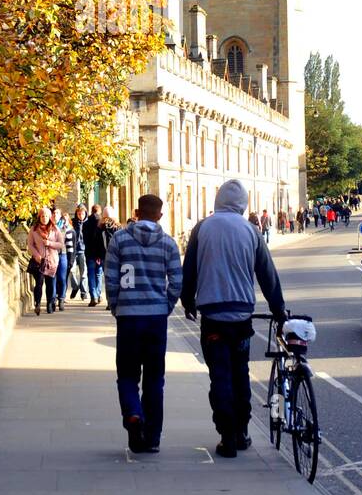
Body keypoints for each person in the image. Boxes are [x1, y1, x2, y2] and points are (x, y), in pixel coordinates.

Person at [181, 178, 285, 459]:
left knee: (220, 376)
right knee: (240, 374)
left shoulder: (202, 228)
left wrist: (187, 301)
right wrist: (279, 310)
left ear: (218, 200)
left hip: (213, 315)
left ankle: (226, 434)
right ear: (243, 203)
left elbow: (189, 268)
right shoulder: (251, 230)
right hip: (241, 316)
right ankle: (241, 432)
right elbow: (267, 275)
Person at [105, 193, 182, 453]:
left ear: (137, 212)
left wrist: (116, 305)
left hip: (128, 316)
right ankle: (152, 438)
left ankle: (133, 413)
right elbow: (177, 281)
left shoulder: (120, 239)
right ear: (160, 215)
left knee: (126, 375)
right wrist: (167, 305)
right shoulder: (168, 244)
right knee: (154, 379)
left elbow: (111, 277)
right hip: (156, 318)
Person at [26, 207, 64, 315]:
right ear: (39, 217)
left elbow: (61, 244)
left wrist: (50, 243)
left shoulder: (55, 229)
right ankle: (37, 303)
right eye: (42, 216)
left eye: (46, 216)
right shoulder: (34, 229)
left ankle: (49, 304)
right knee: (39, 283)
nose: (44, 218)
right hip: (39, 261)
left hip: (52, 261)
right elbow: (30, 245)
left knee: (50, 284)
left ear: (50, 217)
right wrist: (36, 255)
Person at [83, 203, 105, 306]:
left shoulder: (86, 224)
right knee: (99, 274)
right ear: (99, 211)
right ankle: (99, 294)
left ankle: (93, 296)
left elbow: (85, 240)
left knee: (91, 274)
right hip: (100, 253)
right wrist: (100, 254)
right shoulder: (101, 223)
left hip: (90, 253)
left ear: (91, 211)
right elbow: (101, 241)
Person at [54, 205, 73, 310]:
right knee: (52, 278)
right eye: (53, 213)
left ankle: (61, 298)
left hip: (63, 254)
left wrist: (70, 259)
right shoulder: (48, 227)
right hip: (51, 255)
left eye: (57, 213)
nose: (55, 215)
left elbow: (70, 244)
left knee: (61, 277)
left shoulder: (66, 228)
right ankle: (52, 299)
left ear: (60, 215)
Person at [70, 204, 90, 299]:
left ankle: (83, 292)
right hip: (73, 251)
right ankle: (75, 287)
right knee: (71, 270)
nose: (80, 215)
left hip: (83, 250)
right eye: (79, 213)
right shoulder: (73, 223)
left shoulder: (88, 223)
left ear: (85, 213)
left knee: (83, 273)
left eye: (82, 214)